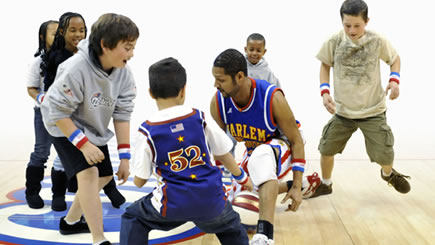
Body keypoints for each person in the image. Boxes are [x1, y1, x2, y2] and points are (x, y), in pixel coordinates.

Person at [120, 57, 253, 245]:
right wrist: (242, 178)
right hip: (211, 202)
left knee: (133, 216)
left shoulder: (148, 130)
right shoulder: (199, 117)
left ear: (150, 93)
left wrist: (139, 176)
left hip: (171, 206)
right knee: (230, 226)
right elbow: (223, 153)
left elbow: (140, 182)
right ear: (184, 90)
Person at [41, 13, 139, 245]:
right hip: (61, 124)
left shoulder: (123, 73)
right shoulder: (75, 68)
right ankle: (99, 239)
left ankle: (71, 222)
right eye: (127, 47)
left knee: (104, 175)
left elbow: (122, 114)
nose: (132, 53)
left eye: (133, 47)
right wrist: (82, 144)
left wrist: (124, 157)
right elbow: (58, 112)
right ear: (105, 45)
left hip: (92, 126)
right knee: (89, 173)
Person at [311, 0, 410, 198]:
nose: (352, 30)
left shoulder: (377, 40)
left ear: (367, 21)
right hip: (343, 112)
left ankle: (387, 174)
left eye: (357, 25)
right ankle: (326, 183)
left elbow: (395, 59)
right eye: (347, 25)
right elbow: (325, 65)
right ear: (342, 22)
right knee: (326, 148)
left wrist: (395, 81)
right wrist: (325, 92)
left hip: (373, 110)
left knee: (384, 154)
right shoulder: (334, 41)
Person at [210, 48, 305, 245]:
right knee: (241, 197)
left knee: (262, 156)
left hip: (285, 146)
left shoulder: (272, 97)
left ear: (239, 76)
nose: (215, 84)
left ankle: (265, 236)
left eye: (221, 80)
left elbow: (295, 140)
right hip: (254, 152)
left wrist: (296, 181)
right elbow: (218, 148)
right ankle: (302, 186)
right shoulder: (218, 103)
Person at [25, 19, 59, 209]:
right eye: (54, 33)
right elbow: (31, 88)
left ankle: (59, 194)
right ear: (42, 37)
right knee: (42, 152)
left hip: (67, 114)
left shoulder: (70, 59)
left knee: (65, 155)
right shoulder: (38, 62)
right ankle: (32, 191)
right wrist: (43, 99)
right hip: (44, 113)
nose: (58, 37)